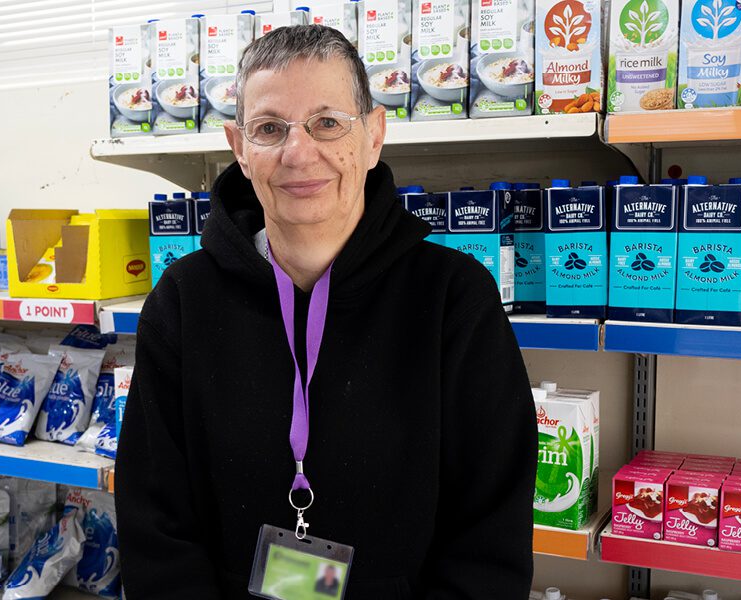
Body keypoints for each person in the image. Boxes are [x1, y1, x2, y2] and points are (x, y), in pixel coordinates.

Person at [116, 24, 537, 599]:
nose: (298, 152)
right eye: (269, 128)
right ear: (239, 149)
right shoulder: (183, 301)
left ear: (373, 136)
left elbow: (490, 535)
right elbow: (155, 524)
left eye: (328, 123)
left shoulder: (454, 298)